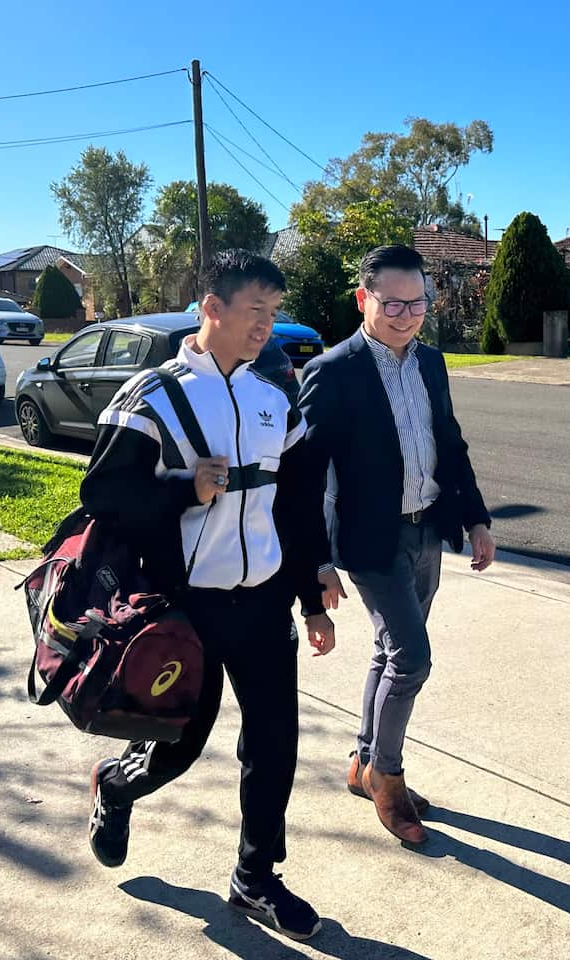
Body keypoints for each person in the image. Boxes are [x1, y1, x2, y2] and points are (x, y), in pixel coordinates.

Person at [79, 250, 335, 941]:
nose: (268, 327)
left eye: (275, 314)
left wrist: (313, 585)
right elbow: (101, 494)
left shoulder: (272, 397)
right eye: (257, 311)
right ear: (213, 309)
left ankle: (256, 877)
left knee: (275, 743)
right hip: (184, 608)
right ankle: (117, 783)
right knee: (179, 745)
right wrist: (182, 491)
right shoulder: (151, 395)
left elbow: (300, 502)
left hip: (263, 605)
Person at [298, 244, 495, 846]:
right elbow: (305, 477)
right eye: (393, 303)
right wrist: (317, 564)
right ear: (364, 299)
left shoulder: (432, 363)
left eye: (418, 303)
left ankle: (362, 763)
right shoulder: (332, 372)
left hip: (427, 529)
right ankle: (388, 776)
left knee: (390, 652)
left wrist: (477, 518)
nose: (408, 315)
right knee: (412, 657)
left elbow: (450, 444)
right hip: (368, 540)